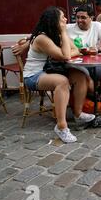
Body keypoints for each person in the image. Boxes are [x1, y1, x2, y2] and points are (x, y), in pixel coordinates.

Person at [23, 7, 95, 144]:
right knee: (62, 82)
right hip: (33, 76)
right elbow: (67, 55)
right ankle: (61, 126)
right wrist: (63, 33)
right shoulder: (42, 38)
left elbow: (75, 50)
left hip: (50, 71)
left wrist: (66, 45)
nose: (66, 19)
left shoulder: (56, 34)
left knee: (79, 76)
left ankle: (78, 114)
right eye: (62, 17)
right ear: (54, 20)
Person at [67, 5, 101, 89]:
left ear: (91, 18)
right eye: (77, 17)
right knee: (90, 85)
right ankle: (92, 94)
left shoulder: (97, 26)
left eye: (83, 17)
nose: (79, 20)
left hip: (93, 63)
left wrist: (97, 49)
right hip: (76, 65)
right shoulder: (68, 28)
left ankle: (94, 93)